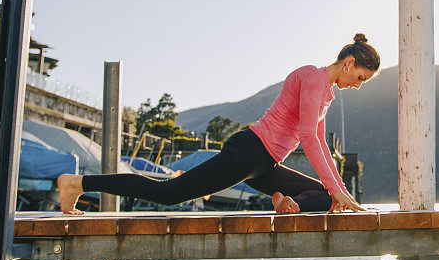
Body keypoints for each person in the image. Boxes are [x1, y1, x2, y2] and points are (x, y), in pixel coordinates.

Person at [57, 33, 380, 215]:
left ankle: (288, 204)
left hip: (264, 163)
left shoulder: (325, 93)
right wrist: (340, 189)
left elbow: (320, 144)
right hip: (249, 153)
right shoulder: (311, 76)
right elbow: (309, 136)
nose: (359, 84)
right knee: (168, 194)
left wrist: (339, 191)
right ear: (349, 63)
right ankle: (78, 184)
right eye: (361, 78)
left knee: (323, 194)